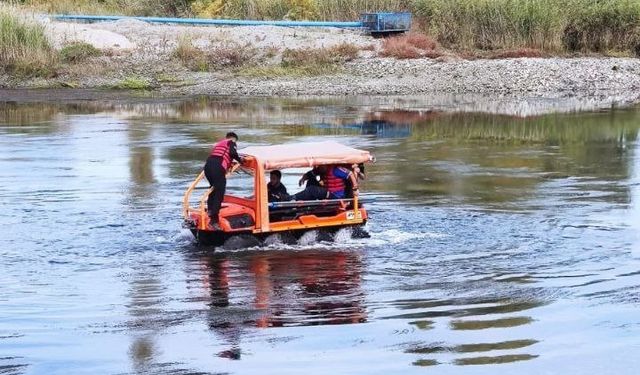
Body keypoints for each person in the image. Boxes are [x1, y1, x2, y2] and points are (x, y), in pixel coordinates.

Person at [204, 132, 243, 229]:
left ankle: (210, 210)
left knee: (213, 188)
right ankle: (214, 221)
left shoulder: (220, 143)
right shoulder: (231, 142)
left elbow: (222, 155)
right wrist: (240, 160)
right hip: (217, 167)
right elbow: (233, 153)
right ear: (234, 139)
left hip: (208, 166)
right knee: (219, 193)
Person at [291, 165, 359, 201]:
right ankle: (306, 200)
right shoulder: (321, 169)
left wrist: (355, 188)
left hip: (336, 196)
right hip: (326, 192)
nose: (318, 167)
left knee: (313, 190)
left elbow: (350, 174)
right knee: (311, 180)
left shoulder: (336, 169)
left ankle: (292, 198)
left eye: (321, 165)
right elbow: (309, 174)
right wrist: (303, 179)